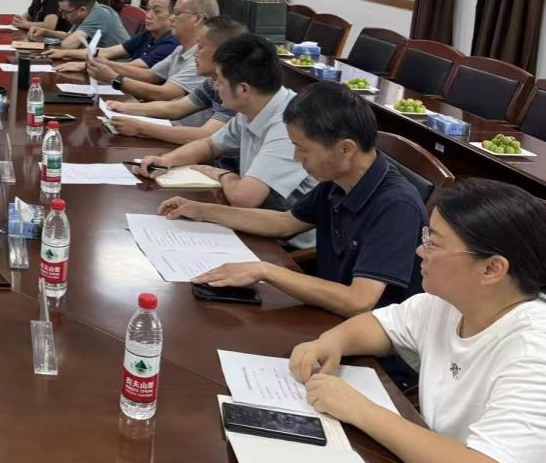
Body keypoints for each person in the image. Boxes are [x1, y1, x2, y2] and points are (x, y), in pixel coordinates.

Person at [289, 179, 546, 463]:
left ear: (491, 269)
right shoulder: (450, 302)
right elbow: (379, 325)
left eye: (434, 243)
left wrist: (359, 409)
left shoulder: (534, 350)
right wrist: (330, 341)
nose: (419, 250)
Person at [160, 82, 425, 318]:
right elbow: (285, 222)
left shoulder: (396, 206)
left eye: (303, 149)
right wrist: (202, 211)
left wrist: (266, 271)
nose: (297, 159)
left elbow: (358, 301)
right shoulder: (339, 180)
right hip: (326, 312)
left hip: (369, 339)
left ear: (346, 149)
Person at [138, 33, 316, 208]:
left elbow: (244, 198)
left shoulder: (289, 125)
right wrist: (167, 160)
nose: (216, 87)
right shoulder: (255, 107)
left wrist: (223, 175)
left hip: (284, 224)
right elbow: (210, 145)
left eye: (220, 81)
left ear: (244, 89)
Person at [103, 16, 246, 142]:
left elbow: (206, 136)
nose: (195, 53)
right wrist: (123, 107)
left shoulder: (236, 92)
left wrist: (141, 128)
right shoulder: (211, 83)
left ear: (221, 53)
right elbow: (175, 108)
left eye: (201, 47)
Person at [94, 0, 218, 107]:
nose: (172, 18)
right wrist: (104, 64)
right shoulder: (180, 49)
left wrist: (114, 78)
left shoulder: (203, 58)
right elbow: (150, 75)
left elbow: (164, 94)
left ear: (197, 19)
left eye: (177, 13)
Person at [52, 0, 177, 67]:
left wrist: (85, 66)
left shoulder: (171, 43)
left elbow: (133, 67)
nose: (148, 15)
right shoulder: (147, 34)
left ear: (174, 16)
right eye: (148, 9)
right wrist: (64, 53)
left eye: (156, 11)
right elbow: (107, 52)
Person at [39, 0, 126, 52]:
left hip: (119, 63)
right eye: (61, 11)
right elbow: (69, 36)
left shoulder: (100, 14)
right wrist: (46, 32)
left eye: (65, 12)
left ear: (81, 10)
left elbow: (67, 46)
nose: (63, 16)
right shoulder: (86, 13)